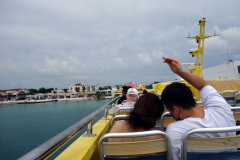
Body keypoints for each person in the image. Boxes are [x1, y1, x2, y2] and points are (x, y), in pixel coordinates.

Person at [161, 57, 236, 160]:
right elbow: (203, 85)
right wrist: (180, 71)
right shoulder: (222, 108)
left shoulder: (176, 131)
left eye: (171, 112)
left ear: (176, 110)